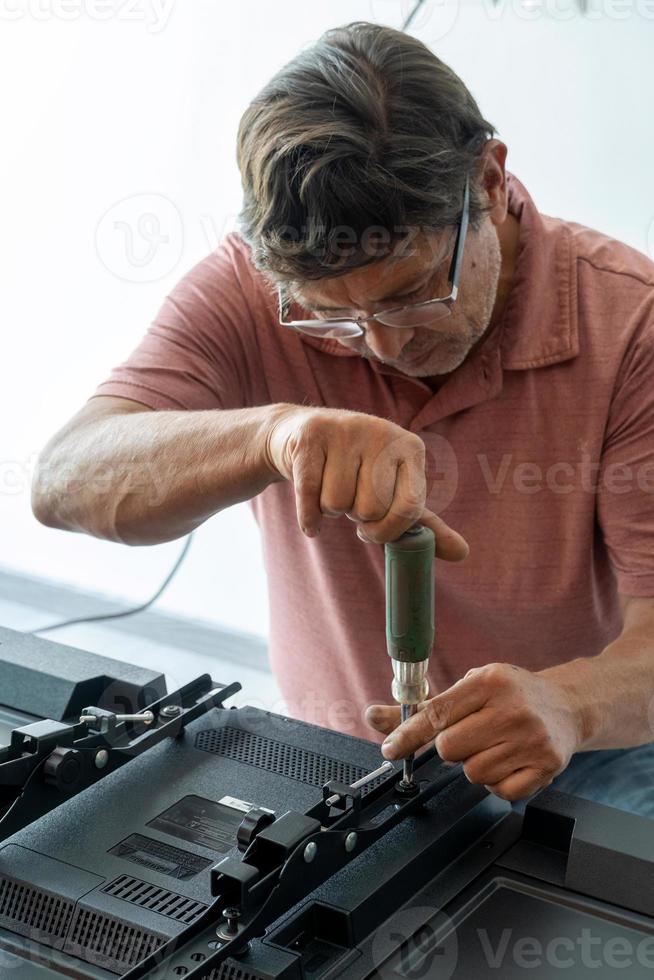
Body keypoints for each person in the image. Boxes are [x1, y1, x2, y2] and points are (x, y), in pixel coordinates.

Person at [32, 22, 654, 817]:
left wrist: (571, 705)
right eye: (334, 320)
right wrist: (269, 436)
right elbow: (64, 480)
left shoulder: (631, 325)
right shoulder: (256, 289)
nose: (385, 347)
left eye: (413, 293)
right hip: (338, 748)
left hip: (590, 751)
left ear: (490, 181)